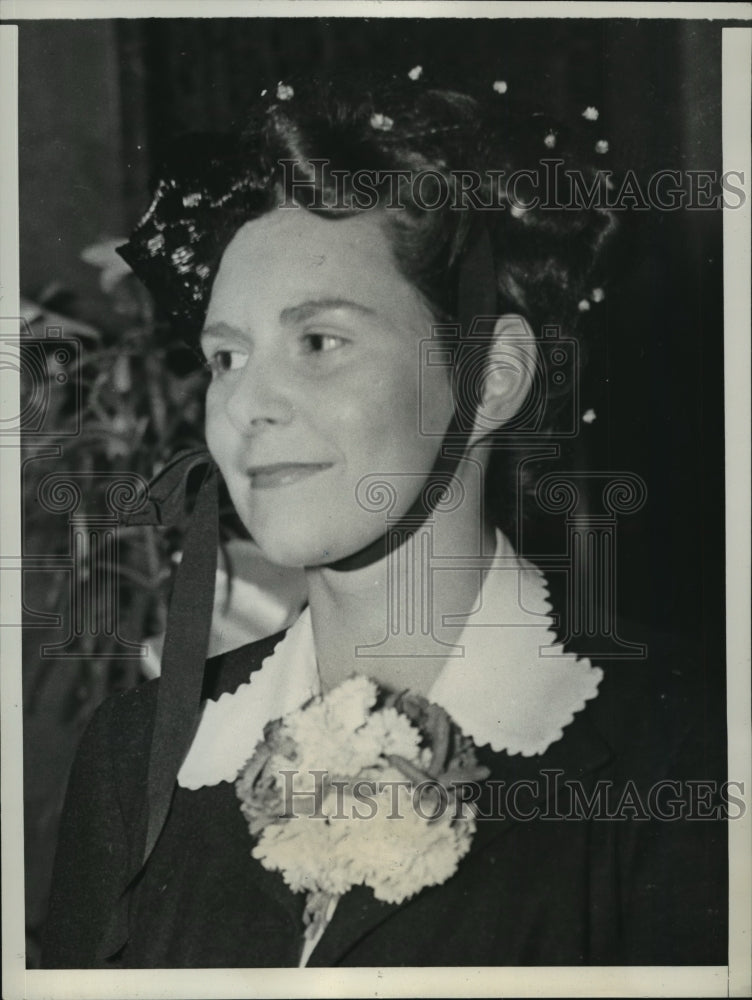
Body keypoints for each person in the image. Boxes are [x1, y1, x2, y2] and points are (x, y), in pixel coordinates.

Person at [42, 74, 726, 969]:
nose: (247, 405)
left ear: (494, 377)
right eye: (225, 356)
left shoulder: (685, 751)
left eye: (319, 343)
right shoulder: (136, 757)